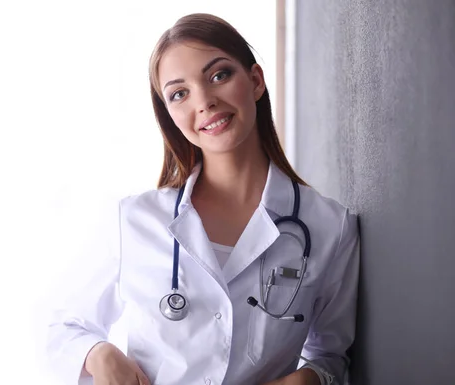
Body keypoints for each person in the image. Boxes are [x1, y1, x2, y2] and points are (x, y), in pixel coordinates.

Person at [47, 13, 360, 385]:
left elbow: (330, 355)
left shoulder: (329, 227)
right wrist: (99, 354)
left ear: (256, 81)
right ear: (170, 114)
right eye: (180, 93)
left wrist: (309, 379)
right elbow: (62, 327)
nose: (205, 102)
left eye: (219, 75)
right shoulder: (134, 220)